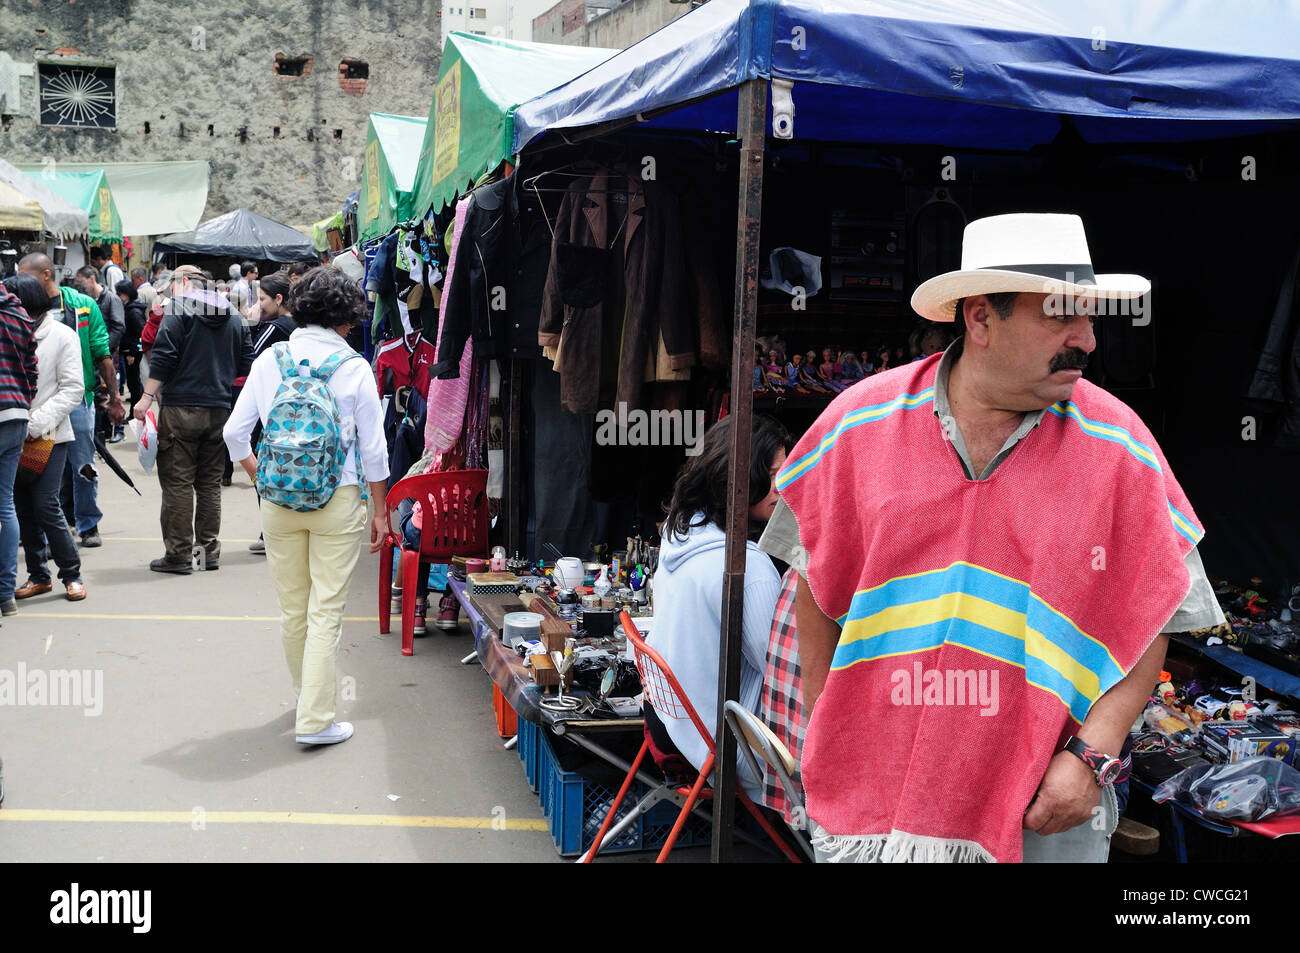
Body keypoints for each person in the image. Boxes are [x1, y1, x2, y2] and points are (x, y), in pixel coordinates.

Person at [760, 213, 1226, 863]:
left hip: (1042, 811)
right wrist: (825, 729)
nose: (1088, 340)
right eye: (1064, 315)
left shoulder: (1121, 448)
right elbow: (812, 581)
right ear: (980, 319)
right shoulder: (857, 427)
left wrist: (1093, 757)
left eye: (1091, 317)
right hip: (878, 812)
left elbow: (1162, 608)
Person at [223, 267, 389, 746]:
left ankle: (306, 700)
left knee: (293, 610)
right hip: (338, 499)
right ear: (346, 319)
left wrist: (264, 481)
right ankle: (316, 721)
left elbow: (235, 434)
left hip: (277, 504)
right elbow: (375, 452)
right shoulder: (355, 367)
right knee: (326, 612)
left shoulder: (270, 359)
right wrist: (380, 511)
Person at [646, 414, 793, 799]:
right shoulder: (747, 567)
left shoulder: (681, 531)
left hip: (673, 724)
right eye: (773, 473)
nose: (784, 486)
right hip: (724, 748)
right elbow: (783, 672)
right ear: (738, 475)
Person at [133, 265, 253, 574]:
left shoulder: (178, 311)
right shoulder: (235, 316)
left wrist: (146, 398)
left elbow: (163, 356)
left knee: (178, 484)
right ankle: (206, 555)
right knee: (209, 484)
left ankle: (179, 556)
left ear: (184, 282)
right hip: (219, 408)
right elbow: (246, 361)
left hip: (181, 408)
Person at [16, 254, 125, 549]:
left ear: (46, 275)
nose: (20, 283)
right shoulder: (17, 309)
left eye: (26, 276)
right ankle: (50, 528)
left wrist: (114, 398)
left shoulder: (82, 306)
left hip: (78, 400)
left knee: (82, 465)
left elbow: (102, 354)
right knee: (38, 470)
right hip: (35, 404)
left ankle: (88, 523)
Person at [3, 274, 85, 603]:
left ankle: (72, 573)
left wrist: (34, 422)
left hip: (50, 432)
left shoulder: (63, 335)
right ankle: (38, 575)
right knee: (20, 507)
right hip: (13, 432)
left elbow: (73, 389)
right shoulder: (11, 331)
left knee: (46, 505)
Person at [0, 281, 39, 617]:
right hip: (15, 414)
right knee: (5, 505)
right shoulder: (19, 314)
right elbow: (31, 370)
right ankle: (5, 594)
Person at [116, 280, 147, 420]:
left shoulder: (133, 311)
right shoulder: (131, 308)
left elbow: (140, 333)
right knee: (133, 382)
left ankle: (136, 413)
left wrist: (133, 353)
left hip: (132, 351)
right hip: (130, 350)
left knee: (134, 383)